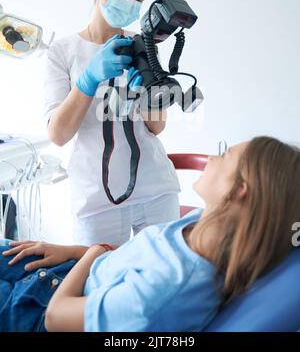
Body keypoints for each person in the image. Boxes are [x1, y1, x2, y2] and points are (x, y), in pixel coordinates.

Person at [0, 136, 299, 332]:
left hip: (37, 311)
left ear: (239, 192)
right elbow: (137, 257)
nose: (212, 158)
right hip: (68, 272)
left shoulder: (163, 293)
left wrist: (91, 254)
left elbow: (56, 318)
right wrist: (72, 251)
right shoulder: (202, 223)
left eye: (224, 155)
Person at [43, 0, 181, 246]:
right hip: (97, 200)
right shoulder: (62, 52)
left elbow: (156, 127)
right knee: (99, 283)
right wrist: (88, 79)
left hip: (156, 188)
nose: (131, 2)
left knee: (163, 283)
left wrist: (147, 94)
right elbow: (58, 134)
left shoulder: (142, 44)